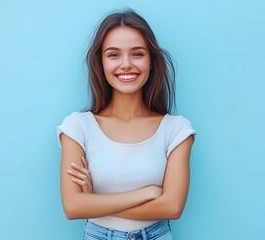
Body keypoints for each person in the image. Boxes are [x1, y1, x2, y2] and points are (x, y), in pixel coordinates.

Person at [57, 9, 195, 240]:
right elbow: (73, 207)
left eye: (137, 54)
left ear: (151, 62)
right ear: (100, 63)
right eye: (113, 55)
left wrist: (94, 201)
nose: (126, 64)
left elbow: (172, 208)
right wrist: (148, 193)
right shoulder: (78, 126)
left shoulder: (176, 130)